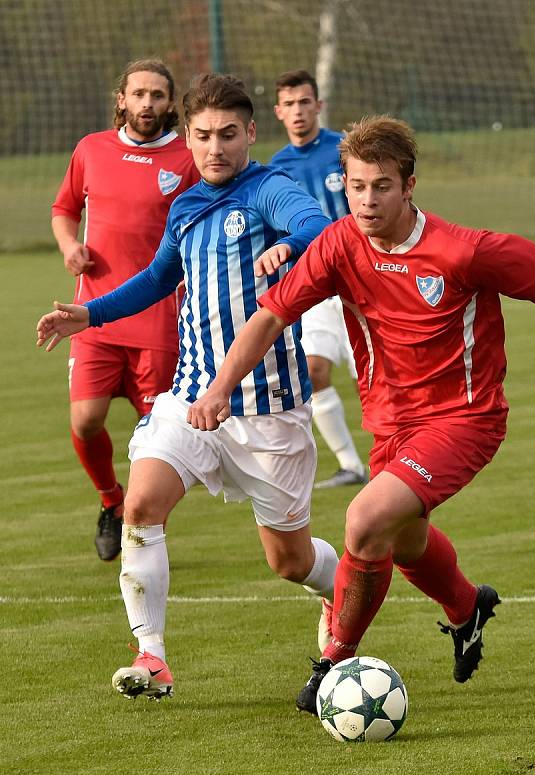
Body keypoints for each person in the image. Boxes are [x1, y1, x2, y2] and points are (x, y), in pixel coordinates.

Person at [181, 115, 535, 715]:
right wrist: (219, 389)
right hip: (392, 424)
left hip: (465, 420)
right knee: (405, 543)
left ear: (409, 186)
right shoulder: (338, 244)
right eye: (356, 186)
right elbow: (273, 316)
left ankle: (334, 660)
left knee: (364, 521)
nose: (366, 199)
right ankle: (467, 607)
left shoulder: (462, 250)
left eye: (381, 186)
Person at [37, 73, 339, 701]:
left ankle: (344, 587)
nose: (214, 148)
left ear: (251, 134)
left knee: (288, 561)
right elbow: (155, 278)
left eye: (228, 135)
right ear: (190, 138)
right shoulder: (188, 205)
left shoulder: (269, 190)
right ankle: (152, 658)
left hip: (267, 412)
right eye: (202, 135)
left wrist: (288, 247)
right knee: (141, 507)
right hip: (190, 396)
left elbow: (315, 225)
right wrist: (87, 314)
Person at [51, 59, 199, 562]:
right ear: (122, 98)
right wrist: (70, 244)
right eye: (138, 94)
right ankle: (111, 502)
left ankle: (140, 527)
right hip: (91, 311)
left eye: (158, 95)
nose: (147, 104)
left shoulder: (188, 157)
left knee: (153, 431)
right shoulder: (91, 149)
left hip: (160, 317)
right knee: (87, 420)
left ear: (170, 103)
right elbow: (64, 208)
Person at [271, 70, 366, 490]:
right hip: (317, 287)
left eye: (304, 102)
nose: (298, 111)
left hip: (363, 283)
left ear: (318, 106)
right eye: (289, 104)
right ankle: (351, 466)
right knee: (314, 371)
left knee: (374, 376)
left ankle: (398, 457)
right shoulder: (276, 168)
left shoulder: (344, 151)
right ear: (278, 112)